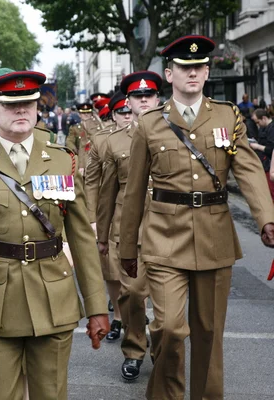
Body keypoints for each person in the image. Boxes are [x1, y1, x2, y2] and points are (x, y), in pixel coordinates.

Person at [0, 68, 109, 400]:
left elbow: (82, 239)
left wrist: (97, 305)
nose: (21, 111)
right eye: (10, 104)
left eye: (28, 104)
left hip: (53, 299)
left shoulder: (61, 161)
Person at [119, 35, 274, 400]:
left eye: (200, 67)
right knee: (170, 328)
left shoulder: (227, 115)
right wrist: (127, 248)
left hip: (214, 234)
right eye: (185, 67)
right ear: (169, 74)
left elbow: (249, 170)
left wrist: (266, 218)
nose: (193, 72)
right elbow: (134, 190)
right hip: (163, 235)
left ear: (207, 72)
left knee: (208, 331)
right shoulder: (150, 123)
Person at [97, 71, 162, 381]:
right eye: (138, 97)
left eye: (150, 95)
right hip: (129, 232)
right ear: (129, 103)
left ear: (158, 98)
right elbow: (107, 193)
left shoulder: (175, 131)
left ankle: (164, 352)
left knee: (167, 303)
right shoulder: (114, 142)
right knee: (133, 295)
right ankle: (134, 349)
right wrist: (101, 236)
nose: (145, 100)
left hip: (168, 230)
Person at [83, 91, 130, 344]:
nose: (126, 117)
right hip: (111, 213)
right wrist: (93, 218)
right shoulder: (102, 140)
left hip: (148, 213)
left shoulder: (152, 134)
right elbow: (91, 182)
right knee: (112, 270)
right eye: (122, 113)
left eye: (129, 112)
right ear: (113, 115)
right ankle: (120, 316)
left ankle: (138, 313)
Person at [66, 101, 104, 177]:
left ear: (91, 113)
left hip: (95, 157)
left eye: (88, 113)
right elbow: (69, 141)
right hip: (81, 158)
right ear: (79, 114)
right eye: (83, 113)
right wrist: (74, 150)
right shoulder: (75, 128)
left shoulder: (98, 125)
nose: (86, 115)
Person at [250, 109, 274, 200]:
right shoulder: (263, 128)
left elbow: (271, 149)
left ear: (264, 118)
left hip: (269, 164)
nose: (257, 124)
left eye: (258, 122)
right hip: (265, 164)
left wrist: (257, 146)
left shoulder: (272, 129)